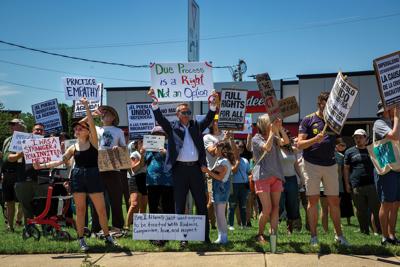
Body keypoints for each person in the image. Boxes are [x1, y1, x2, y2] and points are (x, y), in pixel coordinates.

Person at [33, 98, 118, 251]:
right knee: (80, 210)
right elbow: (60, 161)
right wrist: (42, 166)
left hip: (93, 176)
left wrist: (86, 107)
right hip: (78, 177)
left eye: (80, 128)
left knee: (101, 209)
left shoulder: (93, 142)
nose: (77, 131)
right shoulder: (73, 147)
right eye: (75, 129)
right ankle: (81, 239)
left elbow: (91, 124)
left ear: (87, 131)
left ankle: (107, 236)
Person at [148, 88, 218, 246]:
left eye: (189, 112)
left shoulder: (196, 126)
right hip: (179, 170)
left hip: (195, 169)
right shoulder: (172, 127)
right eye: (184, 112)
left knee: (201, 204)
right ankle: (183, 238)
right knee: (179, 204)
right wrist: (154, 102)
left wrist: (213, 105)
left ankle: (204, 236)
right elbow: (160, 118)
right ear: (177, 114)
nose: (187, 115)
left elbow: (208, 118)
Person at [297, 91, 349, 246]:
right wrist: (315, 139)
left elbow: (338, 141)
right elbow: (299, 144)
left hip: (331, 165)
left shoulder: (334, 121)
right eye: (327, 105)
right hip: (311, 164)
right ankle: (314, 237)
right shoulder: (307, 120)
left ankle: (339, 236)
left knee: (334, 201)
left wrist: (338, 144)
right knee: (312, 201)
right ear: (320, 103)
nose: (330, 108)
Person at [252, 114, 289, 247]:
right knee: (267, 208)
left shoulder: (274, 136)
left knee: (276, 207)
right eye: (270, 122)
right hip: (262, 176)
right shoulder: (256, 139)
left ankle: (273, 234)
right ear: (264, 124)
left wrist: (281, 128)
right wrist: (273, 132)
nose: (272, 123)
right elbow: (266, 148)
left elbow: (286, 142)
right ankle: (260, 233)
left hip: (276, 176)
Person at [91, 105, 126, 234]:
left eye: (108, 113)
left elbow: (124, 148)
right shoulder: (94, 129)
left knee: (116, 199)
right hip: (98, 168)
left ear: (113, 117)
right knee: (98, 200)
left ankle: (118, 226)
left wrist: (119, 148)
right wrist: (91, 115)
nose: (104, 115)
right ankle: (97, 227)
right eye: (103, 113)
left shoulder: (119, 131)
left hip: (114, 169)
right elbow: (80, 125)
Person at [344, 129, 381, 235]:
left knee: (376, 209)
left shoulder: (372, 149)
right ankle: (364, 231)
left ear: (366, 138)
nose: (358, 139)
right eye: (356, 137)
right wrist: (347, 183)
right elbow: (346, 168)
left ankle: (379, 231)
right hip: (356, 185)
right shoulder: (349, 151)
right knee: (361, 211)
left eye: (360, 137)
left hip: (372, 184)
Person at [373, 102, 400, 245]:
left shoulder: (393, 122)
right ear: (385, 110)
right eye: (393, 107)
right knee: (387, 204)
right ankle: (384, 236)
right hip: (386, 167)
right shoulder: (379, 122)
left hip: (396, 167)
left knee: (395, 204)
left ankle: (392, 235)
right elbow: (394, 136)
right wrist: (397, 117)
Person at [13, 123, 48, 227]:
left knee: (43, 204)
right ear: (31, 131)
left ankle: (45, 227)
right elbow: (11, 158)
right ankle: (29, 229)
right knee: (26, 206)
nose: (38, 132)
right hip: (24, 178)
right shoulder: (21, 143)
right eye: (36, 130)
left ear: (44, 132)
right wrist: (21, 152)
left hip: (42, 179)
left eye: (41, 130)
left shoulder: (48, 144)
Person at [145, 126, 174, 246]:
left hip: (168, 181)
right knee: (153, 207)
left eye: (161, 134)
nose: (158, 135)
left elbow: (175, 161)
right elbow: (145, 161)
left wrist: (166, 153)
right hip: (152, 181)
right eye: (156, 133)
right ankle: (153, 235)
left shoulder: (170, 147)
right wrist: (143, 152)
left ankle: (166, 235)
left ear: (165, 136)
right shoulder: (148, 148)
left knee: (167, 207)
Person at [201, 140, 235, 244]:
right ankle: (221, 236)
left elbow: (220, 177)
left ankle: (224, 237)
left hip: (221, 189)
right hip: (218, 189)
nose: (214, 149)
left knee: (220, 214)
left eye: (216, 147)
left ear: (221, 149)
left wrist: (207, 171)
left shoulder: (224, 161)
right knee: (218, 214)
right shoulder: (220, 160)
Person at [1, 119, 26, 231]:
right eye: (10, 124)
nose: (11, 126)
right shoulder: (7, 140)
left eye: (14, 124)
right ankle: (10, 226)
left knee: (22, 201)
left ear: (21, 126)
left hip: (19, 173)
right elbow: (5, 158)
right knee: (9, 201)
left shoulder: (25, 139)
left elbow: (15, 158)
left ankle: (22, 223)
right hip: (7, 175)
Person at [203, 115, 224, 229]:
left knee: (223, 201)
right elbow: (212, 152)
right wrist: (221, 141)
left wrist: (229, 138)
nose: (218, 123)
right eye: (216, 121)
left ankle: (221, 226)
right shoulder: (207, 137)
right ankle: (209, 223)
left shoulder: (225, 135)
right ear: (212, 123)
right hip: (212, 171)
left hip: (225, 171)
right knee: (211, 202)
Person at [279, 132, 301, 234]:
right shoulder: (276, 149)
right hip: (280, 180)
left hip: (292, 179)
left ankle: (290, 228)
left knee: (292, 204)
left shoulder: (293, 150)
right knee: (279, 204)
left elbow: (296, 164)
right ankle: (274, 227)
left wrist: (301, 177)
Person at [125, 139, 148, 229]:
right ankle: (126, 227)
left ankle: (140, 228)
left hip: (145, 179)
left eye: (144, 142)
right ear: (137, 145)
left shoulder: (149, 154)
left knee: (143, 205)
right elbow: (134, 169)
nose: (143, 144)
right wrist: (142, 155)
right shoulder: (134, 154)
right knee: (134, 204)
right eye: (140, 142)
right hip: (135, 179)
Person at [228, 140, 250, 230]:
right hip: (233, 185)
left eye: (241, 147)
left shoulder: (245, 160)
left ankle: (244, 225)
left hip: (244, 185)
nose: (240, 149)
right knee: (232, 205)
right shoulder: (230, 160)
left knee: (243, 206)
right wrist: (237, 162)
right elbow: (233, 171)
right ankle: (231, 225)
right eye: (238, 147)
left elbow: (248, 172)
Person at [336, 138, 354, 225]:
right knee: (338, 202)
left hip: (346, 179)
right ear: (337, 146)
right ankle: (338, 221)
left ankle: (349, 220)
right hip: (338, 180)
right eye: (341, 145)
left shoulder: (347, 154)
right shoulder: (336, 155)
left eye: (344, 145)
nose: (343, 147)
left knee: (348, 201)